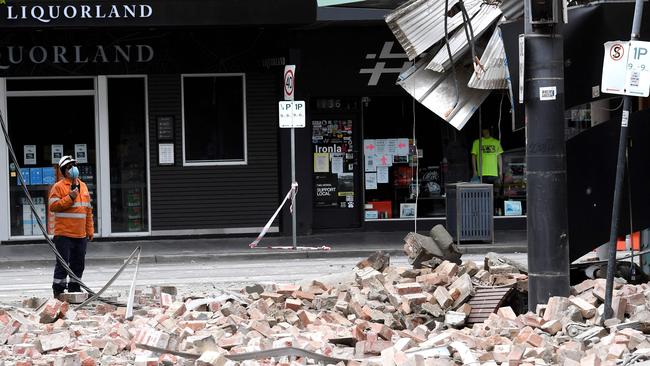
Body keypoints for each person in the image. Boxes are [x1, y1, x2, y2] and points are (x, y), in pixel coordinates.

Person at [48, 155, 94, 298]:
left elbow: (88, 210)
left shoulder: (84, 186)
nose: (73, 169)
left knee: (78, 264)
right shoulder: (58, 187)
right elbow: (53, 206)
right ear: (63, 170)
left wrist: (90, 230)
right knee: (62, 264)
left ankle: (74, 289)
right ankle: (59, 291)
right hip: (64, 235)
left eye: (74, 166)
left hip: (80, 235)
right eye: (69, 167)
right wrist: (70, 197)